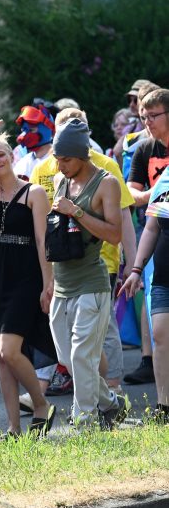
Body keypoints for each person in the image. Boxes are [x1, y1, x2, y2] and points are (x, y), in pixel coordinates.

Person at [0, 111, 56, 438]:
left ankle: (42, 403)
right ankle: (14, 427)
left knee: (10, 351)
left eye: (1, 154)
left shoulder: (35, 194)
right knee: (1, 359)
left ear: (13, 157)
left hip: (25, 274)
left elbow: (44, 241)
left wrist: (48, 283)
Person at [48, 119, 126, 429]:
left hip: (91, 283)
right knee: (69, 360)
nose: (60, 164)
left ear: (82, 155)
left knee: (82, 356)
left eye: (65, 158)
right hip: (61, 283)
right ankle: (110, 403)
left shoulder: (106, 183)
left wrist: (76, 211)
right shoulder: (59, 180)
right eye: (57, 158)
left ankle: (85, 422)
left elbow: (115, 234)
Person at [125, 87, 169, 385]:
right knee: (156, 315)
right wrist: (152, 195)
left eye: (153, 116)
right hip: (154, 227)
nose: (147, 122)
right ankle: (147, 359)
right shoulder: (143, 148)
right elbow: (131, 190)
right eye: (143, 117)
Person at [121, 167, 169, 422]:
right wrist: (136, 269)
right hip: (163, 273)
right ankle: (165, 407)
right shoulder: (167, 177)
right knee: (160, 335)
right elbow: (151, 228)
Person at [13, 102, 55, 180]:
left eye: (31, 130)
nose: (25, 135)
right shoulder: (23, 164)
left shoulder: (60, 160)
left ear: (45, 129)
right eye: (24, 130)